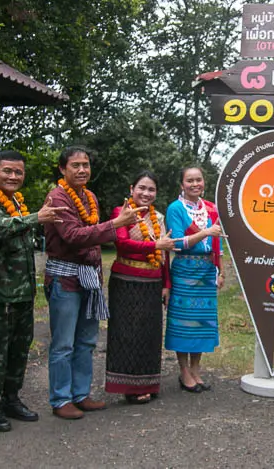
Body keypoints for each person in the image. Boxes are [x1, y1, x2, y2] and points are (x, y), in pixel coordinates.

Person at [0, 150, 68, 431]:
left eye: (18, 173)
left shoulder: (18, 203)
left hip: (22, 293)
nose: (13, 177)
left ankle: (11, 398)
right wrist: (36, 217)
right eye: (7, 171)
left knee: (19, 348)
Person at [43, 146, 144, 419]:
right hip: (65, 277)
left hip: (89, 277)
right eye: (75, 165)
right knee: (63, 343)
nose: (82, 170)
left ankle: (80, 394)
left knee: (86, 340)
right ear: (62, 169)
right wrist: (116, 224)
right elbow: (74, 236)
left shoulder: (89, 197)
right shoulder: (57, 197)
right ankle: (61, 399)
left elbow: (94, 237)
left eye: (86, 164)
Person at [106, 171, 175, 404]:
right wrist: (155, 243)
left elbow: (164, 254)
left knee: (150, 334)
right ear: (131, 189)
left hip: (153, 282)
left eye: (151, 189)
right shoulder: (121, 212)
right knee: (128, 334)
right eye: (141, 188)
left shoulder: (160, 217)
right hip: (126, 280)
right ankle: (130, 387)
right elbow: (123, 244)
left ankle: (149, 383)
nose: (146, 193)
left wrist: (166, 284)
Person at [164, 166, 226, 392]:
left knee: (201, 323)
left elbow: (219, 244)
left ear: (204, 182)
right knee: (183, 323)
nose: (194, 184)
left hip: (207, 271)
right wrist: (204, 233)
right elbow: (177, 244)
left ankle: (196, 368)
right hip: (184, 271)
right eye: (189, 180)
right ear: (182, 185)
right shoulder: (175, 209)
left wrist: (220, 271)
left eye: (198, 180)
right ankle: (183, 371)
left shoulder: (211, 208)